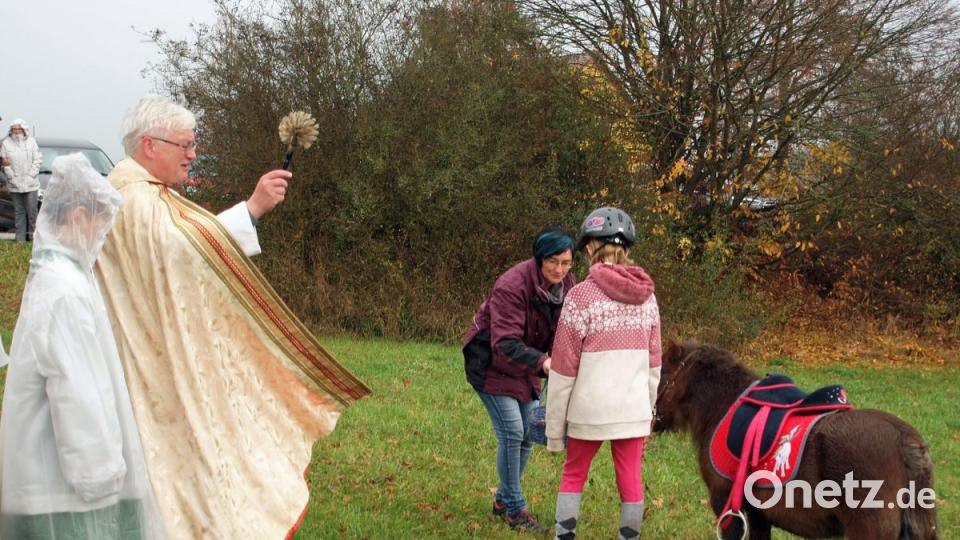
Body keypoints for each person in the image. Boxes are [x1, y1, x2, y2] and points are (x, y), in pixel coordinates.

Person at [93, 96, 370, 539]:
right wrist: (254, 208)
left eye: (193, 143)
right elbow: (186, 251)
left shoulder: (133, 193)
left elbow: (184, 248)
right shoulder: (136, 200)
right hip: (153, 366)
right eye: (184, 144)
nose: (192, 154)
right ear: (149, 145)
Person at [0, 153, 165, 539]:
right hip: (64, 495)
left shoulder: (62, 277)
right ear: (76, 216)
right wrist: (101, 475)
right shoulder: (64, 292)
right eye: (99, 223)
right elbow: (77, 391)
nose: (103, 235)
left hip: (58, 487)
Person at [545, 207, 661, 540]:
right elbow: (654, 365)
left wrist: (555, 431)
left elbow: (564, 370)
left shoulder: (579, 297)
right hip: (631, 408)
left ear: (592, 248)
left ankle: (564, 536)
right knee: (631, 477)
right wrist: (648, 411)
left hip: (589, 411)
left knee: (574, 474)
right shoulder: (648, 298)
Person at [463, 228, 576, 532]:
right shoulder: (511, 285)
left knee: (528, 434)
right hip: (490, 361)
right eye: (553, 262)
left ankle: (502, 500)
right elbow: (504, 342)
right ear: (539, 259)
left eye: (566, 263)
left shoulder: (567, 285)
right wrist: (544, 362)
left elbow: (567, 329)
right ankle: (515, 508)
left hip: (527, 366)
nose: (560, 270)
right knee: (513, 431)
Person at [0, 119, 42, 242]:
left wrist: (30, 176)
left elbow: (37, 160)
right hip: (14, 185)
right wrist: (12, 178)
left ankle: (33, 238)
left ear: (24, 130)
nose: (16, 132)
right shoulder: (6, 144)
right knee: (19, 212)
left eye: (18, 129)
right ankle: (20, 239)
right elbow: (5, 163)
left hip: (31, 184)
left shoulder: (32, 142)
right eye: (14, 129)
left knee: (32, 212)